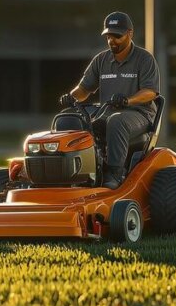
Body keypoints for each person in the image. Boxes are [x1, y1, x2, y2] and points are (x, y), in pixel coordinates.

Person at [59, 11, 160, 189]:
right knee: (70, 120)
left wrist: (127, 101)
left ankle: (115, 173)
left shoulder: (144, 59)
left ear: (130, 33)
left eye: (117, 36)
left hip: (139, 114)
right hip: (106, 112)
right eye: (108, 36)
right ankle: (72, 173)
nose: (111, 40)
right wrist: (71, 97)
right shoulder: (101, 60)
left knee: (116, 121)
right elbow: (84, 89)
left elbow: (151, 92)